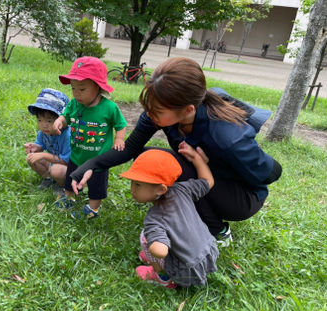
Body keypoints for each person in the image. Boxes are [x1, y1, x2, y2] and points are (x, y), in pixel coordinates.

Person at [70, 57, 282, 242]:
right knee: (149, 158)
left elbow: (271, 173)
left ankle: (218, 230)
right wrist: (91, 165)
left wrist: (213, 163)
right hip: (206, 174)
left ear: (188, 109)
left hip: (241, 197)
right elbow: (130, 148)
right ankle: (184, 217)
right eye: (149, 106)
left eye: (158, 110)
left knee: (174, 167)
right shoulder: (161, 112)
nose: (149, 114)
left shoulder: (228, 138)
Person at [120, 146, 219, 288]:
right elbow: (208, 181)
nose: (133, 190)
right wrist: (197, 159)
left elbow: (161, 251)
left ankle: (163, 277)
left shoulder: (155, 218)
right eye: (132, 183)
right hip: (209, 252)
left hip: (187, 269)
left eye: (138, 185)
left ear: (161, 189)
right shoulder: (183, 189)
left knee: (145, 237)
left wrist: (154, 247)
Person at [53, 56, 127, 219]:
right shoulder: (74, 104)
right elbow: (66, 117)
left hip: (99, 160)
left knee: (96, 188)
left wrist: (119, 139)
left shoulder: (109, 108)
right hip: (77, 155)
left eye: (82, 89)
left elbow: (120, 125)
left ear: (98, 87)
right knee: (70, 179)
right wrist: (60, 121)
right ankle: (68, 198)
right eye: (73, 88)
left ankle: (93, 209)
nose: (76, 94)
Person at [24, 88, 70, 191]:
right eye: (39, 120)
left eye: (49, 121)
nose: (44, 125)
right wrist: (34, 148)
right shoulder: (43, 133)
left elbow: (65, 161)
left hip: (69, 169)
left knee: (57, 170)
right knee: (31, 158)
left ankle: (63, 186)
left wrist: (44, 154)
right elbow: (40, 147)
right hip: (55, 163)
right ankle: (48, 179)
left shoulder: (67, 135)